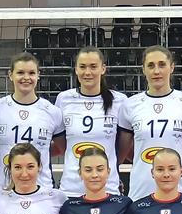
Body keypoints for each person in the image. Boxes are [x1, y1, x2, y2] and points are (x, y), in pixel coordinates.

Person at [120, 47, 182, 201]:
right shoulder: (129, 105)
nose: (156, 71)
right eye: (151, 65)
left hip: (178, 191)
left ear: (172, 67)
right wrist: (147, 159)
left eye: (162, 65)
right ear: (143, 69)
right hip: (140, 191)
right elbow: (121, 153)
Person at [55, 48, 130, 197]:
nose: (87, 72)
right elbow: (61, 144)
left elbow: (123, 147)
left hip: (107, 188)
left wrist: (110, 165)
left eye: (93, 67)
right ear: (76, 69)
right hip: (71, 188)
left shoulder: (120, 101)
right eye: (82, 67)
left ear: (103, 69)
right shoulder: (63, 99)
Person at [0, 54, 63, 193]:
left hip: (41, 189)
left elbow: (61, 148)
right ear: (10, 75)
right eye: (20, 72)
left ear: (38, 75)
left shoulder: (52, 111)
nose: (26, 77)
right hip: (2, 189)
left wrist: (35, 155)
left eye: (31, 73)